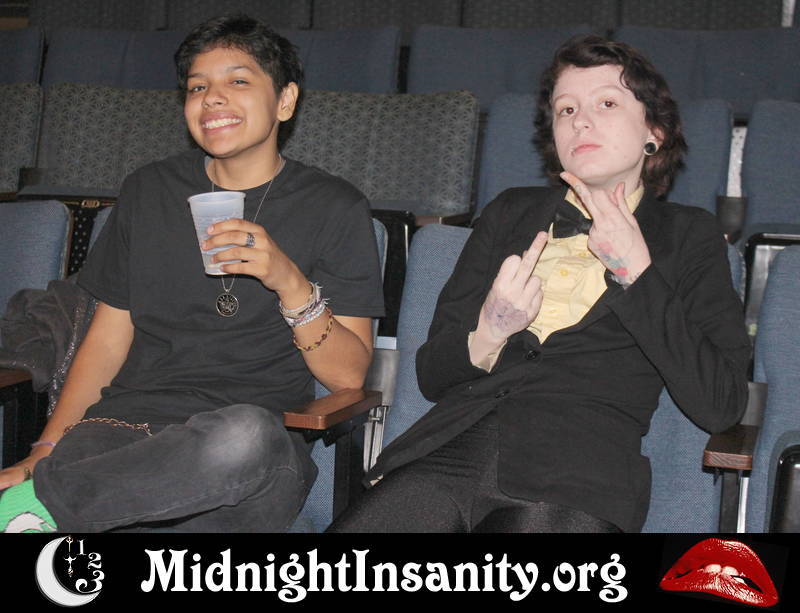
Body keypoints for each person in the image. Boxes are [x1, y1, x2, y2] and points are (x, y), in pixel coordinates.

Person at [328, 35, 749, 533]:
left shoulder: (690, 235)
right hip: (447, 456)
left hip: (580, 472)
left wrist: (636, 273)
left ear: (653, 131)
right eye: (566, 109)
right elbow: (431, 375)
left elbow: (720, 404)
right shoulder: (508, 212)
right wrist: (491, 329)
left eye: (606, 104)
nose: (580, 121)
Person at [0, 14, 384, 533]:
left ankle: (41, 508)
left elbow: (347, 377)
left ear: (285, 100)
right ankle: (41, 506)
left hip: (250, 454)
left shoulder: (335, 207)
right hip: (121, 433)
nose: (213, 99)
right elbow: (107, 339)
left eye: (238, 81)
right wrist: (45, 450)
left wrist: (289, 283)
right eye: (198, 87)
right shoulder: (148, 190)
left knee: (244, 435)